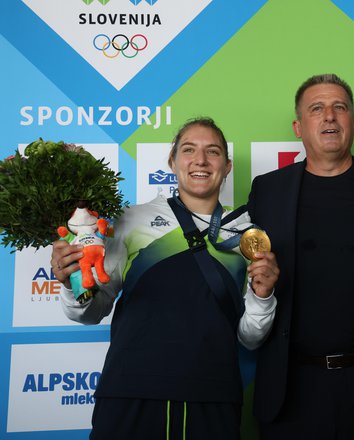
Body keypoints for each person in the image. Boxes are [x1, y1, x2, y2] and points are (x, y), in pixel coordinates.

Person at [50, 117, 279, 440]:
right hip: (131, 390)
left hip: (213, 396)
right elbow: (91, 311)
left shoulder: (245, 232)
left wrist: (263, 295)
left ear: (226, 167)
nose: (200, 160)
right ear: (171, 162)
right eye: (189, 150)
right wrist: (72, 283)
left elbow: (250, 337)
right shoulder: (130, 220)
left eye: (212, 152)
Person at [246, 74, 354, 439]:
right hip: (291, 390)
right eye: (317, 109)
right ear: (298, 127)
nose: (329, 116)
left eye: (340, 107)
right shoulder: (267, 191)